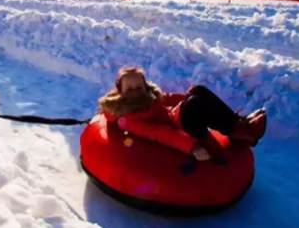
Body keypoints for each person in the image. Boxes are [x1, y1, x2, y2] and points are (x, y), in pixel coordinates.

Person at [99, 67, 267, 162]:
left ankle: (238, 126)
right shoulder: (131, 118)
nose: (135, 92)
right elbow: (161, 134)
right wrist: (192, 147)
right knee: (193, 106)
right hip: (181, 129)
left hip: (177, 118)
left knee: (197, 91)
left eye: (139, 87)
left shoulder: (148, 98)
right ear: (120, 93)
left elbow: (167, 99)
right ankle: (241, 131)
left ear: (146, 87)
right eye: (129, 89)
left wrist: (188, 96)